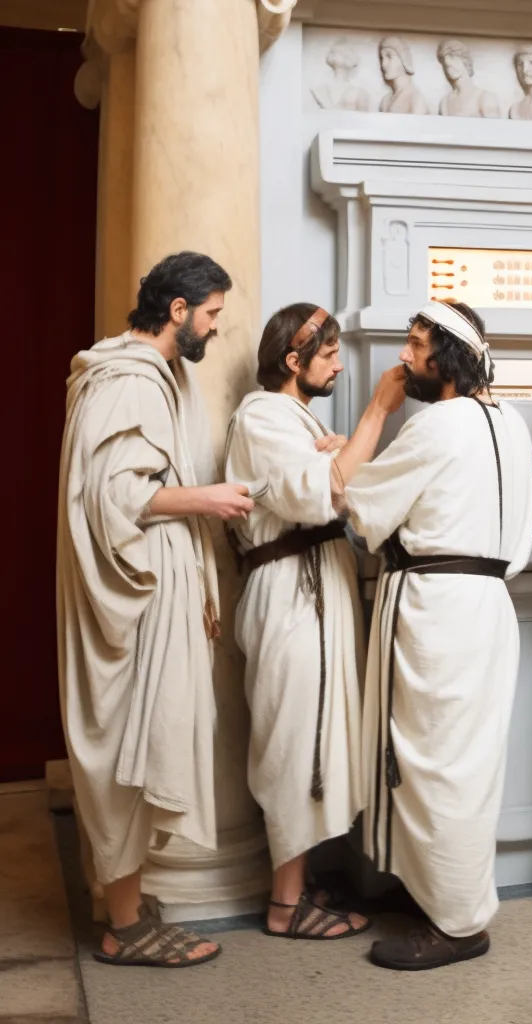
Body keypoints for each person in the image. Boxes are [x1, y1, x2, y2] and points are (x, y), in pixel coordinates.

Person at [57, 252, 253, 967]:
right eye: (210, 314)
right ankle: (124, 925)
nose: (214, 328)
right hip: (138, 590)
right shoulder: (128, 381)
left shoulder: (154, 377)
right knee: (130, 749)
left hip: (163, 582)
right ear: (178, 310)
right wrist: (209, 499)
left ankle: (126, 904)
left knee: (152, 740)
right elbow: (114, 498)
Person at [337, 299, 532, 970]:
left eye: (416, 344)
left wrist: (371, 420)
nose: (404, 356)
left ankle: (455, 923)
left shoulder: (435, 426)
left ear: (445, 358)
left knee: (432, 768)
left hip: (433, 611)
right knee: (466, 765)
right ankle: (448, 898)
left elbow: (361, 511)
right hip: (488, 606)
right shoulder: (511, 422)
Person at [224, 304, 405, 940]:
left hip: (317, 591)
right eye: (326, 356)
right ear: (292, 363)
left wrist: (334, 447)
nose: (337, 365)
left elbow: (331, 482)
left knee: (318, 737)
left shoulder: (295, 418)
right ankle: (284, 905)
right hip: (288, 597)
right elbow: (320, 490)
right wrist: (375, 413)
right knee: (292, 739)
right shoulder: (262, 414)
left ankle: (298, 887)